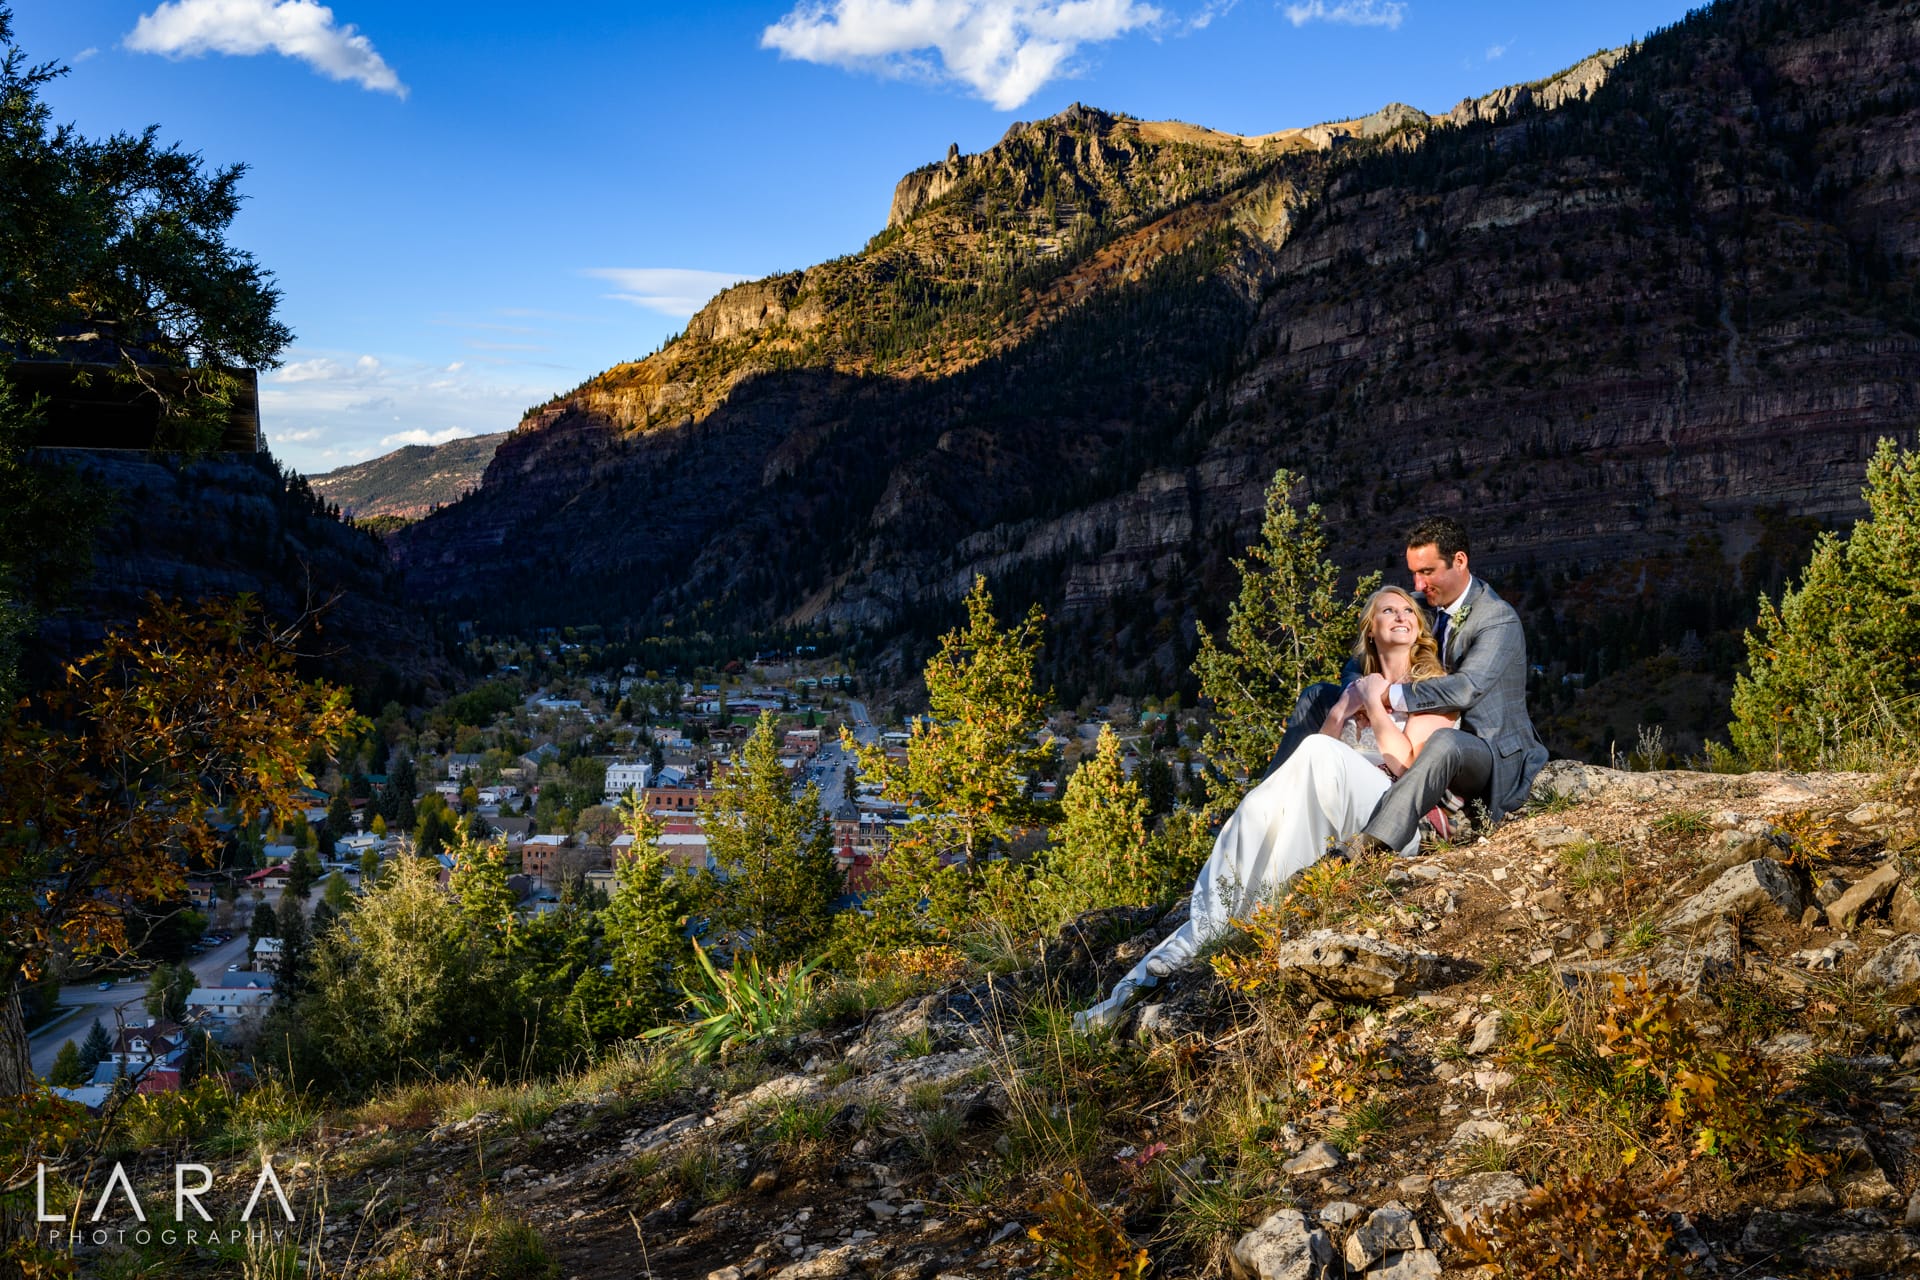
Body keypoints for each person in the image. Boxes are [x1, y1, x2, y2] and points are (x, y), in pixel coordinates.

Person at [1073, 587, 1456, 1032]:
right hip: (1334, 802)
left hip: (1392, 816)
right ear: (1371, 629)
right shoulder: (1351, 690)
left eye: (1409, 610)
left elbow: (1411, 768)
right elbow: (1317, 759)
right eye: (1388, 610)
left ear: (1420, 629)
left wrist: (1375, 703)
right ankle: (1167, 959)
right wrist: (1341, 710)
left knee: (1312, 754)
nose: (1401, 615)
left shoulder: (1432, 689)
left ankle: (1261, 914)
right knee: (1255, 808)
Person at [1338, 517, 1548, 860]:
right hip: (1418, 732)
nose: (1418, 583)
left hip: (1482, 747)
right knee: (1317, 694)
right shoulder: (1420, 605)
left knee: (1445, 742)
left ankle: (1369, 845)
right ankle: (1276, 797)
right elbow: (1357, 661)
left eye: (1427, 571)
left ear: (1460, 561)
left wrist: (1388, 697)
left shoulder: (1497, 618)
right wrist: (1358, 691)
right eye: (1413, 573)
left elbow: (1468, 689)